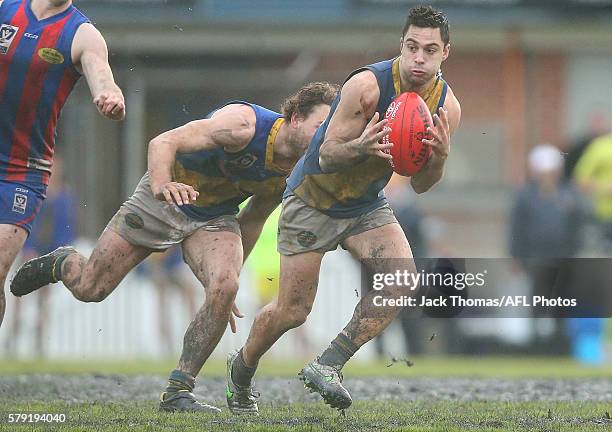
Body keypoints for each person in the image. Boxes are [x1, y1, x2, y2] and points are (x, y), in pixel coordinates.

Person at [10, 82, 338, 413]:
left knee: (225, 286)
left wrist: (228, 279)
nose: (325, 136)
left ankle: (179, 391)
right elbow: (163, 141)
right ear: (295, 118)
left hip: (214, 216)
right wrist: (162, 184)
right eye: (320, 127)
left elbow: (253, 218)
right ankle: (63, 263)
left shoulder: (296, 170)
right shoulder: (243, 125)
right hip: (164, 197)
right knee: (90, 288)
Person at [227, 5, 461, 414]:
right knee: (292, 312)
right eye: (412, 47)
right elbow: (327, 154)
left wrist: (438, 157)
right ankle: (242, 369)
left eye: (429, 49)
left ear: (445, 53)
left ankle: (328, 364)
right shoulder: (366, 86)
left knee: (402, 277)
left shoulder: (446, 107)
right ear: (400, 46)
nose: (419, 58)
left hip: (365, 205)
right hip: (312, 199)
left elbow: (422, 185)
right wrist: (363, 147)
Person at [0, 0, 125, 327]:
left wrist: (109, 94)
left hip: (22, 170)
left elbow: (101, 75)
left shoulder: (82, 34)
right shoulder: (5, 9)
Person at [4, 157, 77, 357]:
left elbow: (65, 227)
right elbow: (25, 219)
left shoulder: (63, 196)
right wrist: (27, 246)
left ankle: (39, 338)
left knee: (44, 299)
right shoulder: (35, 189)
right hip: (32, 248)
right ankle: (14, 331)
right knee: (19, 290)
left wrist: (58, 251)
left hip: (48, 250)